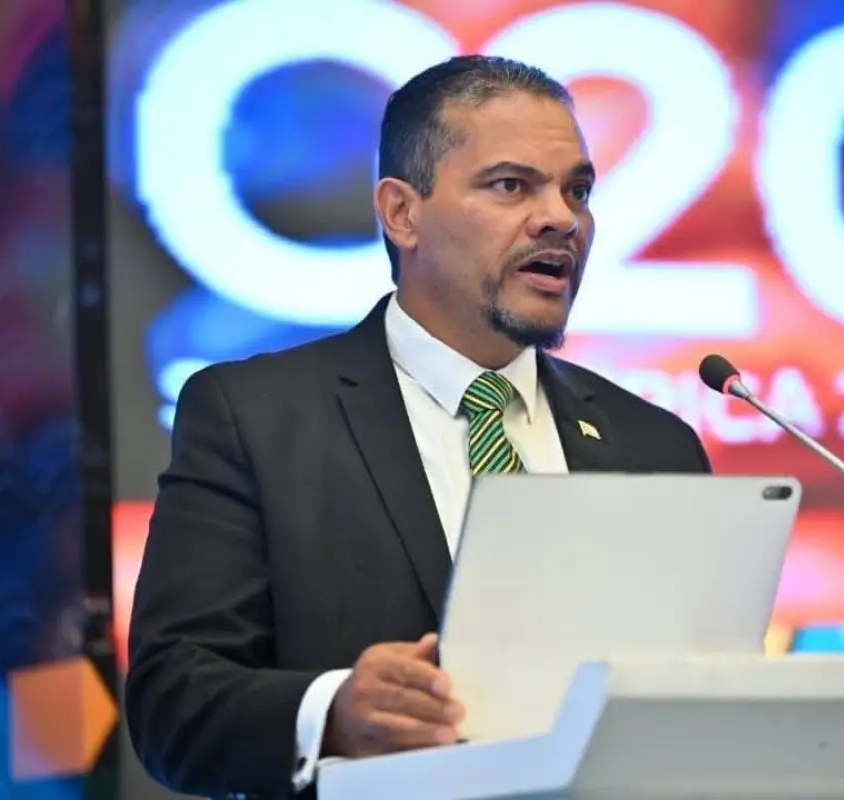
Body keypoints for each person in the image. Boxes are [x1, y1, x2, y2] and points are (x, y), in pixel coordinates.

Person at [125, 54, 713, 799]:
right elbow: (172, 701)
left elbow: (703, 708)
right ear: (402, 213)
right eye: (512, 185)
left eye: (578, 190)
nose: (562, 219)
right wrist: (333, 712)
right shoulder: (255, 419)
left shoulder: (655, 446)